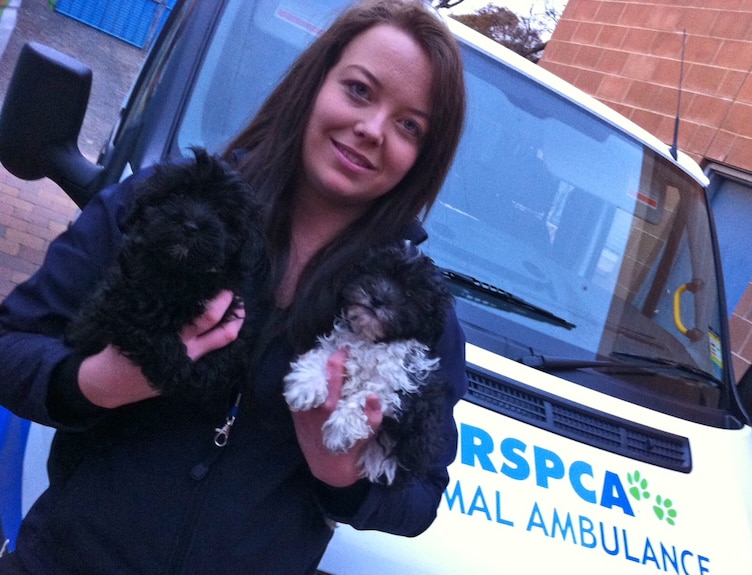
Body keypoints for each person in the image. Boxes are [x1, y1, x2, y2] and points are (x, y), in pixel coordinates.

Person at [0, 0, 467, 572]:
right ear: (315, 83)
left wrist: (342, 476)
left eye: (409, 125)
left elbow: (422, 497)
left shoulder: (417, 311)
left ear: (425, 156)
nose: (371, 130)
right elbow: (12, 345)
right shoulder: (170, 204)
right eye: (360, 91)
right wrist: (98, 382)